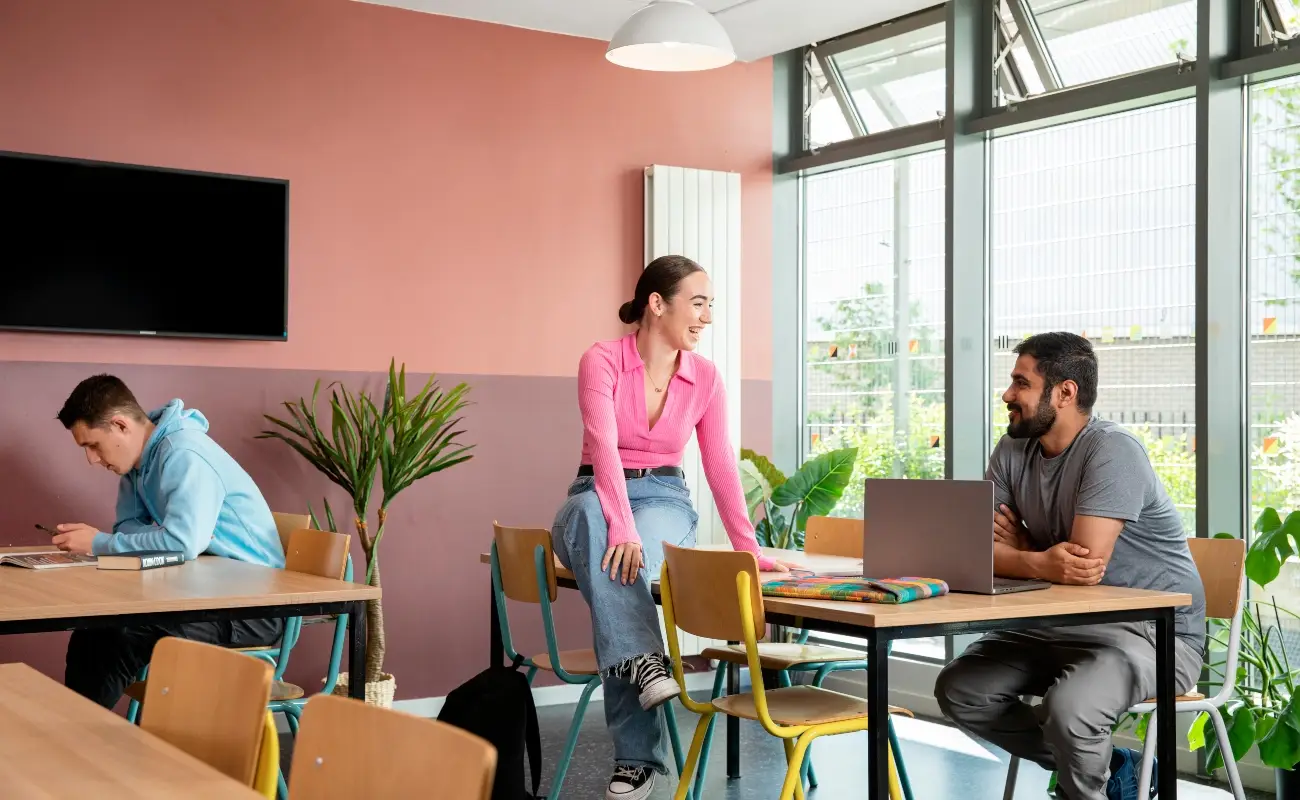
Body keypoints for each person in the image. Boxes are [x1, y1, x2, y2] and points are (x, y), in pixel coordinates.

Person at [552, 255, 795, 800]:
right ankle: (646, 672)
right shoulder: (602, 360)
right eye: (699, 302)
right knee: (609, 543)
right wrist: (620, 525)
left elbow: (719, 464)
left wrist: (747, 547)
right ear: (656, 304)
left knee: (618, 576)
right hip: (591, 493)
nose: (707, 316)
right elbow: (606, 454)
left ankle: (636, 753)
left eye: (711, 305)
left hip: (663, 495)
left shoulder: (704, 377)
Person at [934, 333, 1206, 800]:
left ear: (1065, 392)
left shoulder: (1112, 450)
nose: (1007, 394)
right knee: (961, 689)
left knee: (1072, 709)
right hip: (1057, 625)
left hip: (1153, 634)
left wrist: (1022, 557)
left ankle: (1086, 782)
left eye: (1021, 382)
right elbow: (971, 550)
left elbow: (1081, 568)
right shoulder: (1013, 449)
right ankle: (1115, 766)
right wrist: (1037, 560)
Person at [52, 374, 286, 708]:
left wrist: (100, 543)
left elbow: (180, 543)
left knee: (124, 632)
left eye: (93, 444)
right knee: (94, 630)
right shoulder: (136, 465)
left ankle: (88, 741)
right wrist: (146, 538)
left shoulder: (184, 453)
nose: (92, 459)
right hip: (201, 594)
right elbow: (129, 528)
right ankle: (78, 737)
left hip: (252, 608)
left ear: (120, 426)